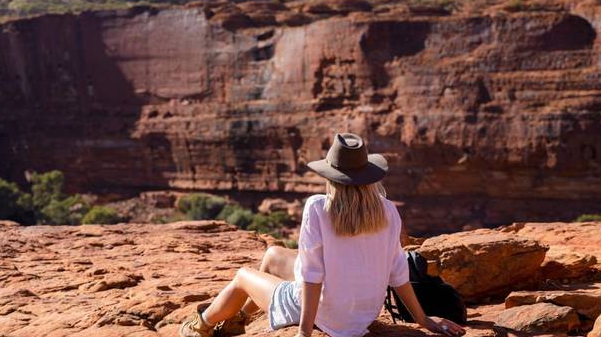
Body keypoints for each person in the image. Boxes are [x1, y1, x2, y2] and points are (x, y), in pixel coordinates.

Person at [179, 133, 466, 337]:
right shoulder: (387, 210)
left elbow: (312, 276)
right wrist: (422, 318)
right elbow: (398, 272)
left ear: (332, 176)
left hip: (328, 315)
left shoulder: (318, 207)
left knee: (242, 276)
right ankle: (238, 320)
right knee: (273, 255)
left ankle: (200, 326)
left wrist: (304, 331)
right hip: (363, 313)